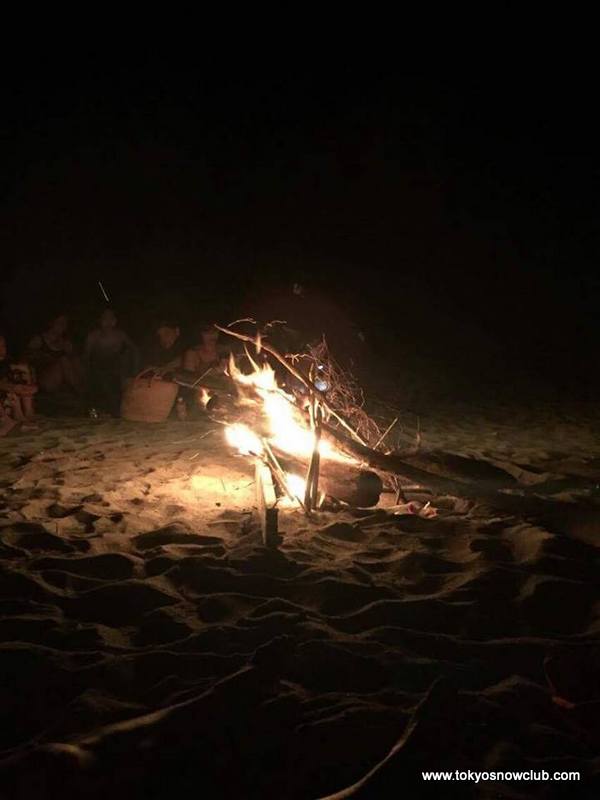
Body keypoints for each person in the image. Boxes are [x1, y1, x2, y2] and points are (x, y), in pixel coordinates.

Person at [84, 308, 138, 417]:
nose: (108, 322)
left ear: (115, 321)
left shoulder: (120, 335)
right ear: (100, 321)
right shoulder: (93, 336)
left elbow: (134, 349)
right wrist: (87, 371)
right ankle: (102, 409)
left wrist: (134, 370)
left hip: (116, 367)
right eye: (105, 319)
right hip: (98, 367)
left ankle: (117, 408)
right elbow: (86, 356)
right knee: (102, 379)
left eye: (110, 319)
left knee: (122, 364)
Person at [26, 313, 84, 395]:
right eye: (60, 322)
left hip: (61, 380)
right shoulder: (39, 340)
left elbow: (76, 364)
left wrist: (71, 353)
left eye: (65, 323)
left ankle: (83, 387)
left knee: (75, 360)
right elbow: (27, 358)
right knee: (63, 360)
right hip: (43, 379)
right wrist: (46, 357)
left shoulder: (65, 343)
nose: (62, 326)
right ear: (51, 323)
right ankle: (81, 391)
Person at [0, 332, 38, 435]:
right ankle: (6, 421)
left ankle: (26, 413)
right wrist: (12, 387)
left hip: (8, 398)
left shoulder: (6, 363)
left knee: (21, 370)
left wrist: (27, 387)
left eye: (3, 346)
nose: (1, 349)